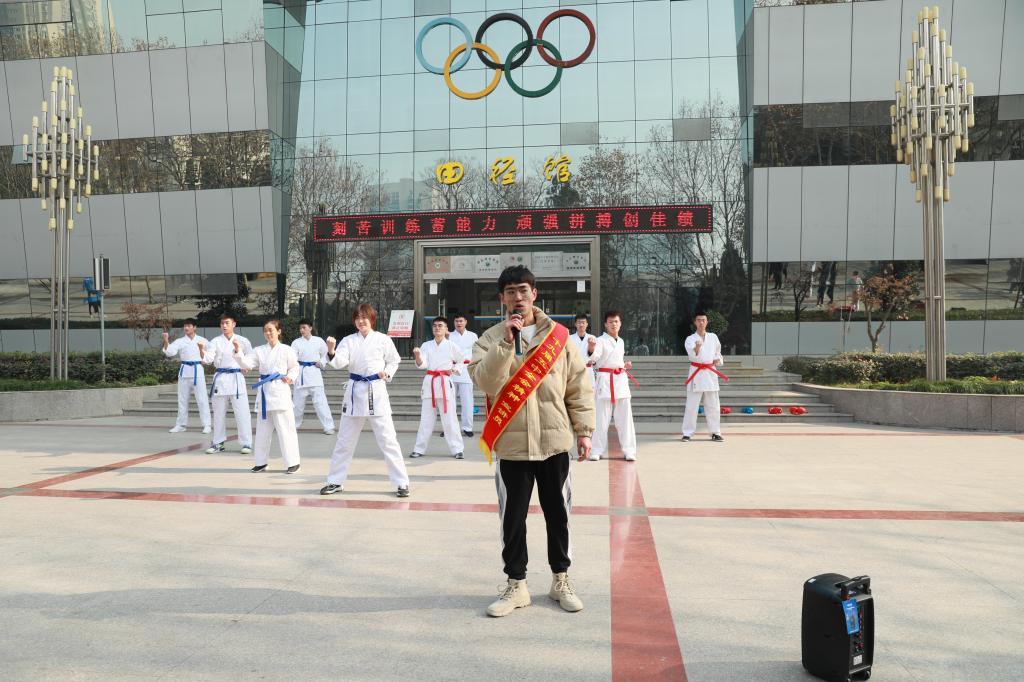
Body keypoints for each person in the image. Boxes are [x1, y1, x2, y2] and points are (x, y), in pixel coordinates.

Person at [470, 265, 594, 618]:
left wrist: (584, 430)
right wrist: (505, 344)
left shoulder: (559, 337)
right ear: (502, 298)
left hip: (554, 442)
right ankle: (516, 584)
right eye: (510, 292)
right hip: (512, 446)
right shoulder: (489, 339)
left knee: (558, 515)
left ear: (534, 294)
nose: (518, 297)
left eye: (523, 290)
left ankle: (560, 580)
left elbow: (578, 385)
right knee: (512, 519)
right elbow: (484, 382)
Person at [319, 304, 411, 498]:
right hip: (354, 392)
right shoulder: (348, 340)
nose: (361, 321)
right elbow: (340, 362)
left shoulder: (383, 339)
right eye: (358, 318)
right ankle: (335, 480)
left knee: (388, 440)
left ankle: (401, 482)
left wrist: (387, 373)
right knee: (344, 440)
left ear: (372, 319)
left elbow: (394, 360)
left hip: (376, 390)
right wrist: (331, 351)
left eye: (365, 317)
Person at [234, 319, 301, 474]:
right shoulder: (259, 350)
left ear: (279, 331)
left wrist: (290, 377)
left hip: (280, 390)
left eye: (271, 330)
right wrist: (238, 352)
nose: (268, 333)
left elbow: (294, 367)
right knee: (263, 431)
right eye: (265, 330)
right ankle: (261, 462)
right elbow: (246, 364)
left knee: (286, 429)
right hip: (264, 393)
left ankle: (293, 462)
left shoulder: (286, 350)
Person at [410, 316, 464, 459]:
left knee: (450, 419)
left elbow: (461, 360)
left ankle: (457, 449)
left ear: (446, 329)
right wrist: (417, 356)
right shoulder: (426, 345)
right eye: (435, 326)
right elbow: (422, 364)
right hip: (430, 382)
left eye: (440, 325)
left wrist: (455, 369)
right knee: (426, 419)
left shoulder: (451, 346)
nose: (437, 328)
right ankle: (419, 448)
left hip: (445, 382)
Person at [587, 311, 638, 462]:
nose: (614, 324)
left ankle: (629, 450)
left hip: (620, 380)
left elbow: (615, 360)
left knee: (625, 418)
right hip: (605, 380)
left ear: (620, 324)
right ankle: (596, 450)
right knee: (601, 418)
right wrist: (591, 348)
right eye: (610, 322)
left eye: (616, 321)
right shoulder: (600, 340)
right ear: (605, 324)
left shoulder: (620, 341)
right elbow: (594, 357)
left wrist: (624, 365)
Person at [201, 314, 253, 455]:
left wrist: (245, 365)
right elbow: (208, 359)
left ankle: (246, 443)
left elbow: (250, 357)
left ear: (234, 324)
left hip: (236, 378)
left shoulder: (243, 340)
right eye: (222, 323)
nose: (224, 325)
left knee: (242, 413)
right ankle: (218, 443)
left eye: (227, 323)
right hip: (221, 379)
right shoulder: (215, 341)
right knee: (218, 413)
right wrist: (201, 351)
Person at [162, 318, 212, 434]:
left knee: (202, 399)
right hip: (184, 371)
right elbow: (170, 352)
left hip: (197, 371)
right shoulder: (180, 341)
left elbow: (211, 354)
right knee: (182, 399)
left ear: (195, 327)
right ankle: (181, 425)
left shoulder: (202, 340)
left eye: (189, 326)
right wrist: (166, 340)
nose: (186, 328)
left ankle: (207, 424)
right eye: (185, 326)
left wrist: (206, 360)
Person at [682, 313, 726, 442]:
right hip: (697, 373)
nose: (701, 322)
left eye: (703, 320)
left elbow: (718, 353)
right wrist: (697, 347)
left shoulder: (713, 337)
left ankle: (715, 432)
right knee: (691, 406)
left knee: (713, 405)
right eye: (699, 320)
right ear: (695, 322)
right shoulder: (690, 339)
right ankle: (687, 433)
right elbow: (692, 355)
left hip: (710, 373)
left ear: (707, 322)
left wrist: (717, 359)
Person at [291, 319, 336, 435]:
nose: (302, 330)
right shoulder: (296, 342)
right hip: (301, 374)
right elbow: (292, 359)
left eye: (304, 327)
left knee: (321, 403)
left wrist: (321, 362)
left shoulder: (319, 341)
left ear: (310, 328)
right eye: (300, 328)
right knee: (297, 405)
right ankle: (293, 426)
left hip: (315, 374)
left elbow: (327, 354)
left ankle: (328, 426)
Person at [449, 313, 479, 437]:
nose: (459, 323)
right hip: (451, 370)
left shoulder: (473, 336)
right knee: (450, 402)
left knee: (467, 401)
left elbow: (477, 352)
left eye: (461, 321)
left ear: (465, 322)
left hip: (466, 370)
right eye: (456, 321)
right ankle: (449, 428)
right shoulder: (448, 336)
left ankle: (467, 427)